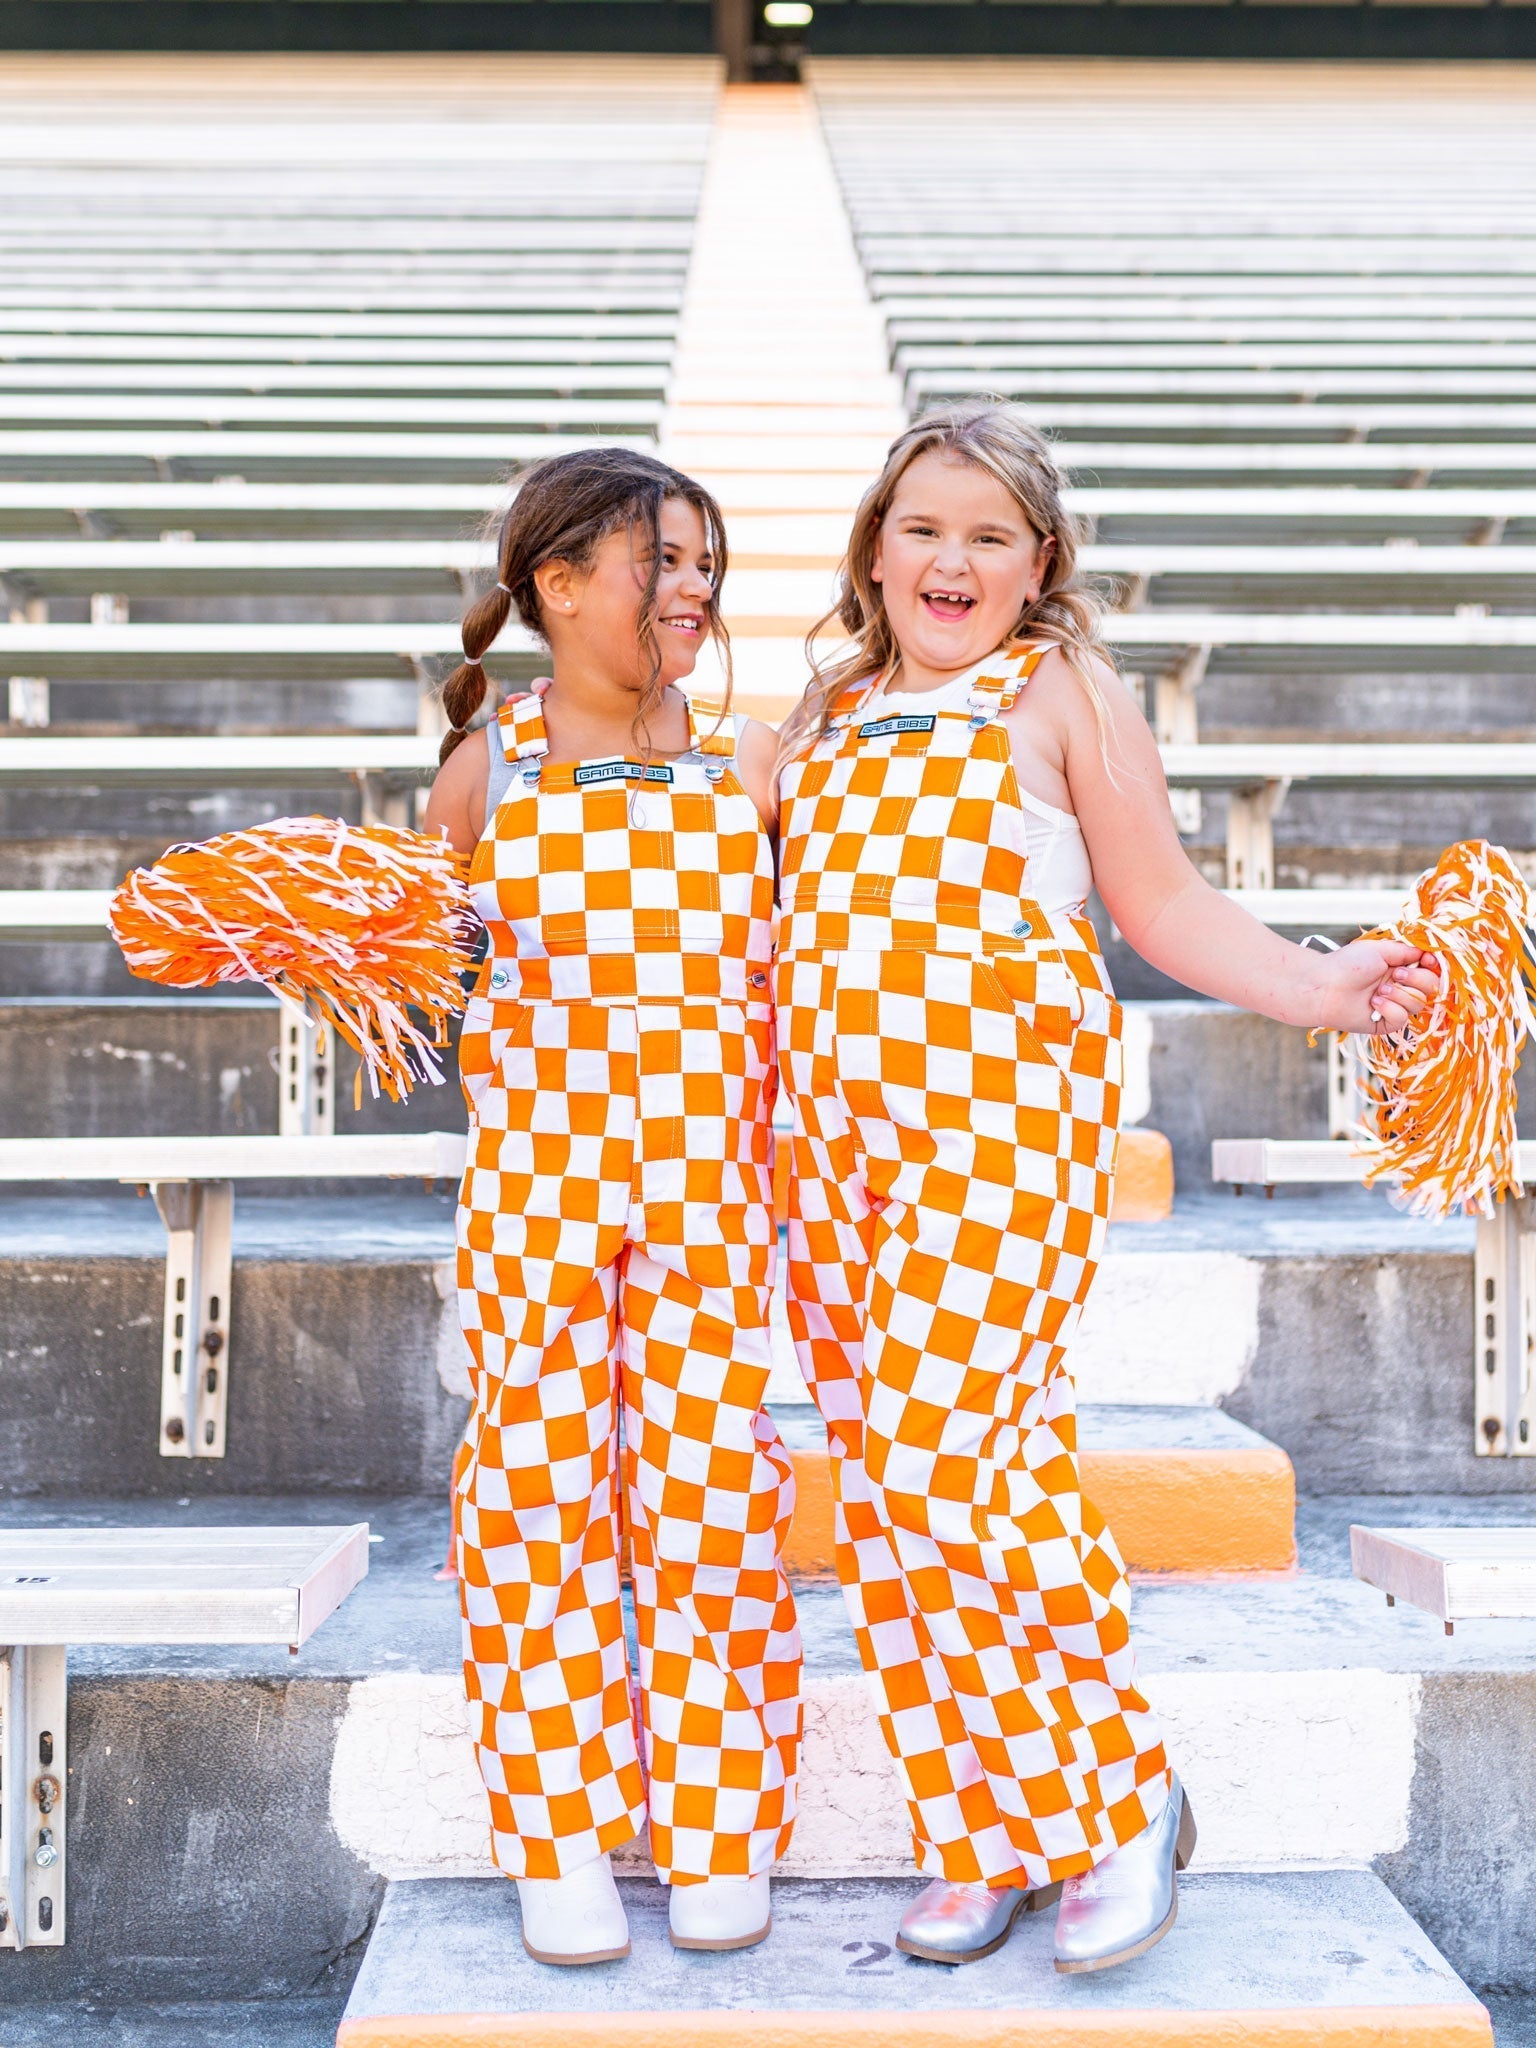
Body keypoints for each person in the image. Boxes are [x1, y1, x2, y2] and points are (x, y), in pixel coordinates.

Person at [772, 401, 1438, 1975]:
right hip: (830, 1151)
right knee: (893, 1491)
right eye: (923, 527)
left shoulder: (1056, 689)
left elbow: (1165, 902)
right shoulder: (819, 711)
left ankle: (1118, 1797)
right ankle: (982, 1826)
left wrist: (1317, 986)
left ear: (1040, 564)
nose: (952, 558)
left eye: (989, 535)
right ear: (874, 546)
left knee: (955, 1460)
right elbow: (669, 850)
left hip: (997, 1130)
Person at [425, 447, 797, 1966]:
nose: (692, 590)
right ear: (558, 584)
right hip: (539, 1198)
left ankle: (720, 1830)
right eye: (662, 562)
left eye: (707, 563)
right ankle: (560, 1837)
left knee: (711, 1499)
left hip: (712, 1193)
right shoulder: (482, 775)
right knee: (534, 1507)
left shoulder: (755, 761)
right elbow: (413, 982)